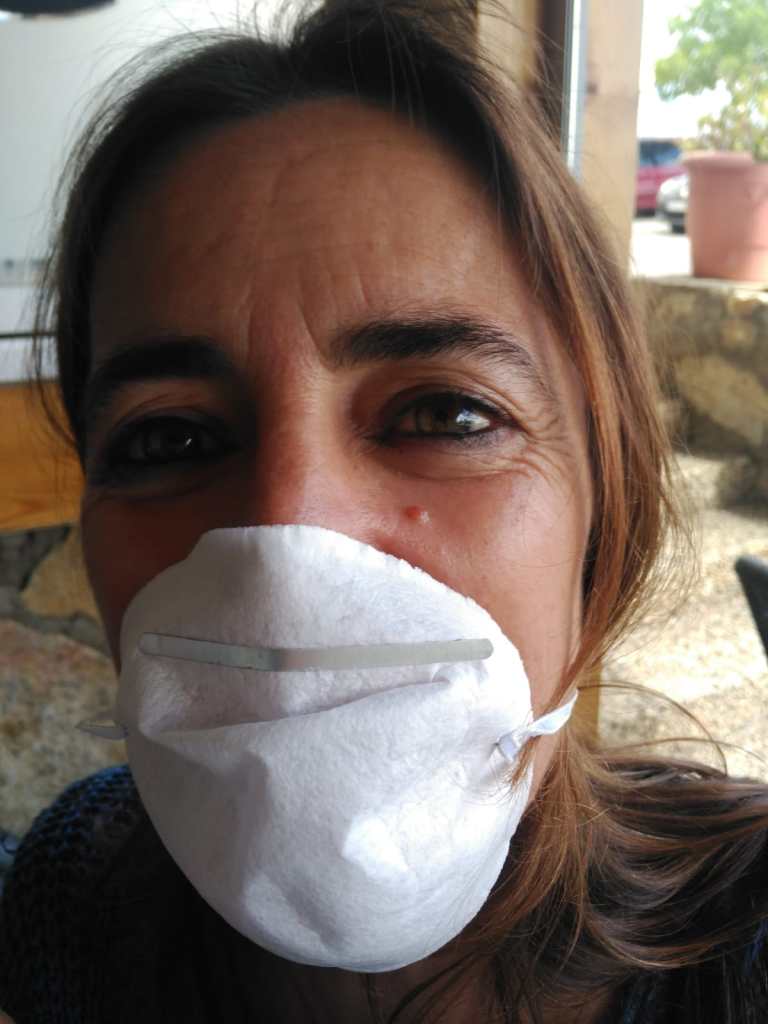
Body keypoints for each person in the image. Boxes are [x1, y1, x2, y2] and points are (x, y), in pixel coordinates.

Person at [1, 2, 767, 1021]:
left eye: (445, 414)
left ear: (604, 508)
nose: (288, 534)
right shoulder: (77, 896)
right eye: (169, 439)